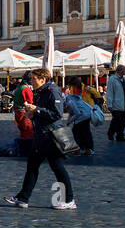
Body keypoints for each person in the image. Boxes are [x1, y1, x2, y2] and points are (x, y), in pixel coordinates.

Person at [6, 68, 76, 210]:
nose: (32, 81)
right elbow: (42, 112)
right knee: (32, 166)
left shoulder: (52, 91)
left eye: (34, 79)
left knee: (58, 168)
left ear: (43, 80)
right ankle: (22, 198)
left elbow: (57, 114)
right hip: (40, 135)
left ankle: (69, 200)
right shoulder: (39, 92)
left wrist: (36, 109)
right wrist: (31, 114)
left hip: (51, 136)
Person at [62, 76, 96, 156]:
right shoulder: (76, 91)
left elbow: (76, 113)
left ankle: (83, 149)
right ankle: (85, 149)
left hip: (83, 115)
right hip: (85, 113)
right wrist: (69, 120)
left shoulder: (69, 99)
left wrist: (70, 121)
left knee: (78, 132)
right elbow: (72, 112)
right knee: (83, 132)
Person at [105, 65, 125, 142]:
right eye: (124, 70)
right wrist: (109, 104)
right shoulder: (112, 79)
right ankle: (110, 133)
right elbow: (110, 92)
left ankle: (120, 135)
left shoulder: (124, 79)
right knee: (116, 120)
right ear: (120, 71)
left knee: (123, 121)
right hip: (116, 104)